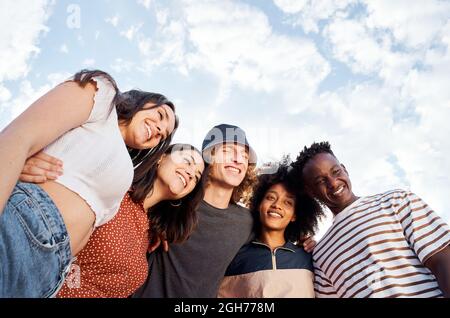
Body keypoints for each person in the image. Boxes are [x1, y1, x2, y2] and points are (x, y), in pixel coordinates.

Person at [0, 69, 178, 297]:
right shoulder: (104, 96)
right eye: (161, 116)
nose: (159, 130)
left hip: (51, 273)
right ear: (145, 101)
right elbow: (18, 137)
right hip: (23, 228)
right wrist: (19, 164)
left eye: (163, 136)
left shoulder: (124, 174)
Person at [19, 144, 206, 297]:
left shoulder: (149, 234)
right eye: (187, 162)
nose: (190, 173)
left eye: (196, 177)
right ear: (161, 158)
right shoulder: (115, 189)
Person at [291, 141, 450, 298]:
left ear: (345, 169)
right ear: (311, 192)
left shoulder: (396, 201)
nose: (333, 183)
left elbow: (441, 259)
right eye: (320, 181)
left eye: (336, 171)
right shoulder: (320, 253)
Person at [218, 160, 323, 298]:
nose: (277, 205)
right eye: (270, 197)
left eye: (288, 202)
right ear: (258, 205)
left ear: (294, 215)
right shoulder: (235, 257)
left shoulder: (309, 258)